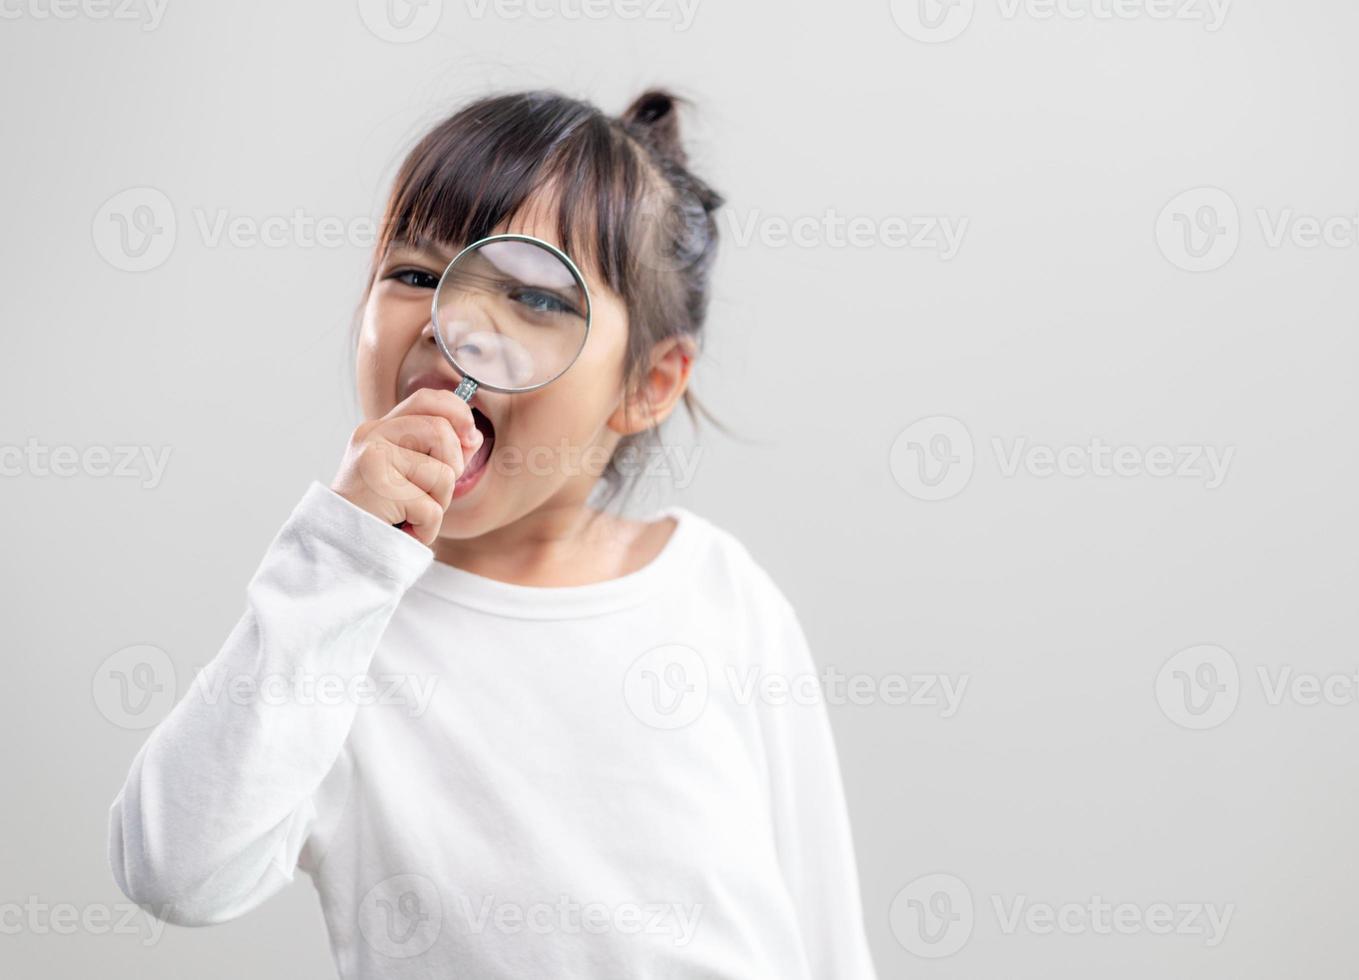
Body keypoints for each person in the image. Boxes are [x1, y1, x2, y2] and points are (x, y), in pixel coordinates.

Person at [107, 87, 877, 978]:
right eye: (416, 276)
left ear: (649, 385)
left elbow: (824, 921)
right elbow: (174, 871)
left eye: (539, 299)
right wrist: (339, 562)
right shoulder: (335, 627)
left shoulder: (718, 593)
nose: (457, 327)